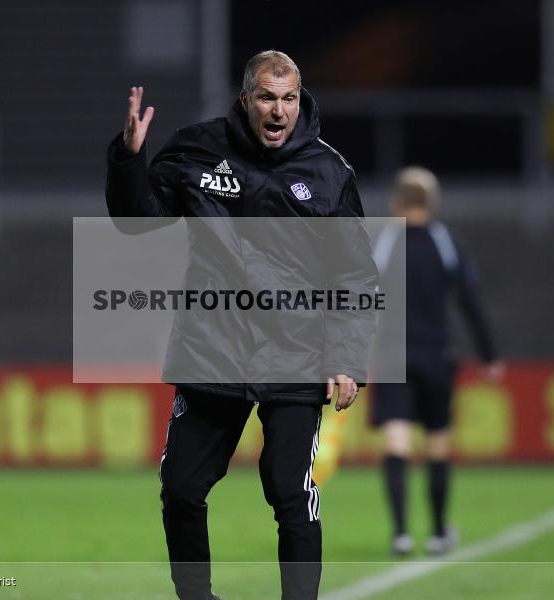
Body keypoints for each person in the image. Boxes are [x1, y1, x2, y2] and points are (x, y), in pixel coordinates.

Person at [105, 50, 378, 599]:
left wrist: (347, 357)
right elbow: (136, 222)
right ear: (245, 99)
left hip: (296, 351)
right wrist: (129, 158)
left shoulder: (328, 171)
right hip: (214, 348)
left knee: (289, 493)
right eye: (267, 98)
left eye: (289, 99)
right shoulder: (196, 149)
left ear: (299, 101)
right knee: (181, 488)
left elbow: (355, 274)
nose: (279, 111)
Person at [369, 166, 503, 556]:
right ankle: (440, 531)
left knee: (397, 438)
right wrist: (490, 355)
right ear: (432, 202)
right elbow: (471, 301)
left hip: (393, 353)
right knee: (437, 441)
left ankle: (400, 533)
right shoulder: (446, 242)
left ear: (396, 202)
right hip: (436, 355)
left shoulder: (386, 243)